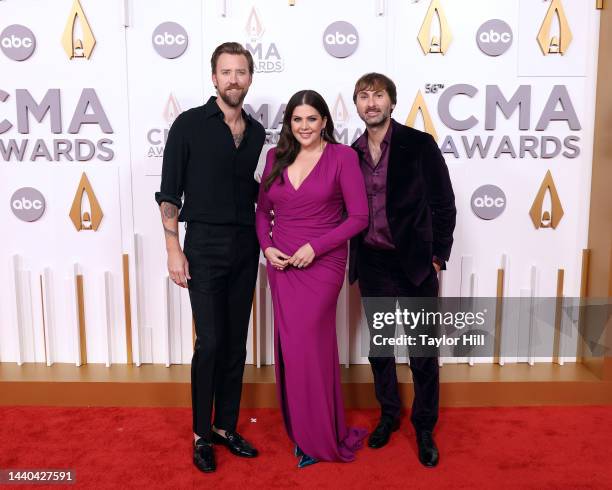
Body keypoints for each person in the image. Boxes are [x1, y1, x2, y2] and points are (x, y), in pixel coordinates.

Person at [155, 42, 266, 473]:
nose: (234, 79)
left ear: (250, 78)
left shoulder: (256, 133)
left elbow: (258, 192)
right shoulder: (188, 125)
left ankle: (226, 427)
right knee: (211, 342)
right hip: (201, 245)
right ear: (213, 77)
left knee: (236, 343)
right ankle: (201, 433)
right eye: (226, 72)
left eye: (241, 72)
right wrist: (173, 250)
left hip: (246, 246)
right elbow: (169, 193)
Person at [256, 90, 369, 468]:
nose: (304, 126)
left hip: (322, 265)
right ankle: (306, 431)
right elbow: (262, 211)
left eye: (312, 119)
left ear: (324, 121)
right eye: (297, 119)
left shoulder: (343, 157)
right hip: (282, 264)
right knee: (294, 348)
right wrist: (266, 247)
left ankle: (316, 436)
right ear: (289, 123)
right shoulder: (276, 157)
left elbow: (358, 218)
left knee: (308, 345)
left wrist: (315, 248)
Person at [349, 73, 456, 467]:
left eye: (378, 96)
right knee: (381, 348)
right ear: (357, 105)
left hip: (414, 263)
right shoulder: (351, 152)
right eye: (364, 96)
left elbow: (445, 203)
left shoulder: (418, 144)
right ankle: (389, 415)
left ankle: (424, 426)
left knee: (422, 352)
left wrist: (437, 256)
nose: (371, 103)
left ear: (392, 103)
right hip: (373, 262)